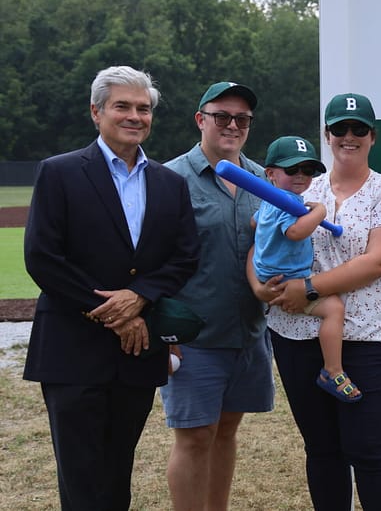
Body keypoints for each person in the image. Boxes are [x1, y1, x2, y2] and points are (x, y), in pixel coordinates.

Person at [23, 65, 199, 510]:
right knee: (81, 476)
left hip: (137, 353)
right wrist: (116, 314)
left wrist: (139, 299)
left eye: (144, 108)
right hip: (72, 349)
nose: (135, 116)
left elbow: (184, 257)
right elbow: (43, 257)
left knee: (118, 471)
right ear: (96, 112)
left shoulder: (169, 184)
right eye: (122, 106)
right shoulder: (59, 173)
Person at [248, 92, 381, 510]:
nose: (349, 136)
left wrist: (309, 288)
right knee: (322, 449)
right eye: (339, 128)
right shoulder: (300, 186)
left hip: (369, 335)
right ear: (327, 134)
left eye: (359, 129)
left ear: (373, 137)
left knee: (368, 448)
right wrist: (257, 286)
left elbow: (379, 261)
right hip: (295, 332)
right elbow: (259, 242)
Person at [162, 81, 275, 511]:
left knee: (227, 430)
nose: (232, 125)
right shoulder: (169, 179)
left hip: (247, 333)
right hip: (193, 336)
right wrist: (164, 334)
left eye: (242, 119)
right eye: (222, 116)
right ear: (200, 120)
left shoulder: (262, 179)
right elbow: (154, 261)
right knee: (194, 437)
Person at [252, 135, 361, 402]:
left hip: (268, 275)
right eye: (291, 170)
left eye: (308, 170)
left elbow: (255, 225)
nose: (301, 176)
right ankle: (332, 371)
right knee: (334, 308)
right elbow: (296, 232)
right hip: (289, 279)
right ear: (271, 173)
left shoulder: (269, 200)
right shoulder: (290, 201)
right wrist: (320, 212)